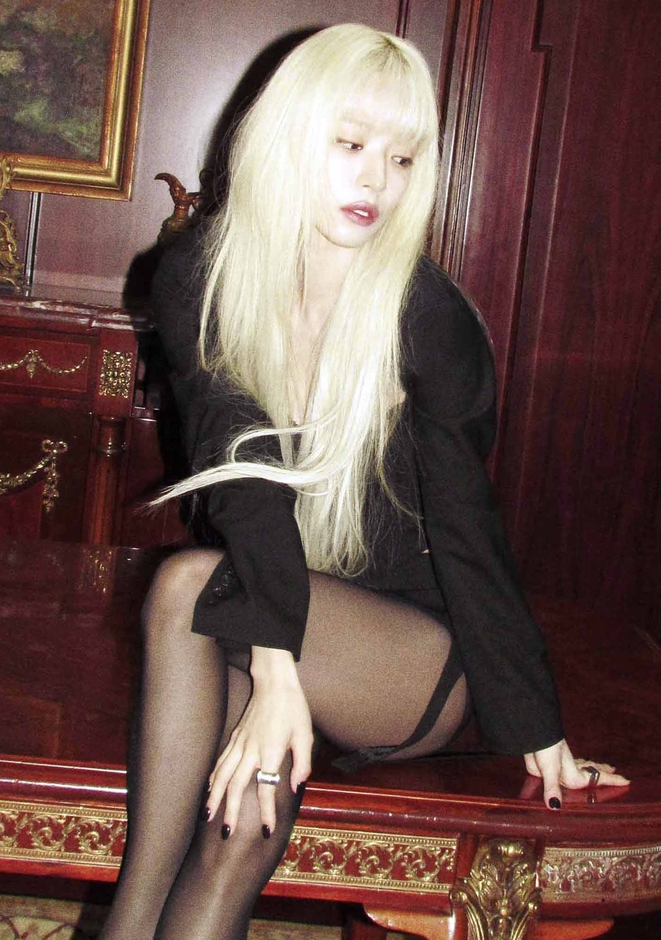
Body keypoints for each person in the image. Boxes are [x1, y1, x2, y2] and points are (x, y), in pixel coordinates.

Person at [100, 24, 628, 940]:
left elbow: (467, 531)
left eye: (402, 157)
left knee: (187, 586)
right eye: (349, 144)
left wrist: (541, 732)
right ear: (288, 137)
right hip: (273, 604)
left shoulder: (427, 318)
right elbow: (244, 477)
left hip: (407, 657)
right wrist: (275, 674)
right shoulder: (202, 277)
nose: (376, 180)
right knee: (229, 818)